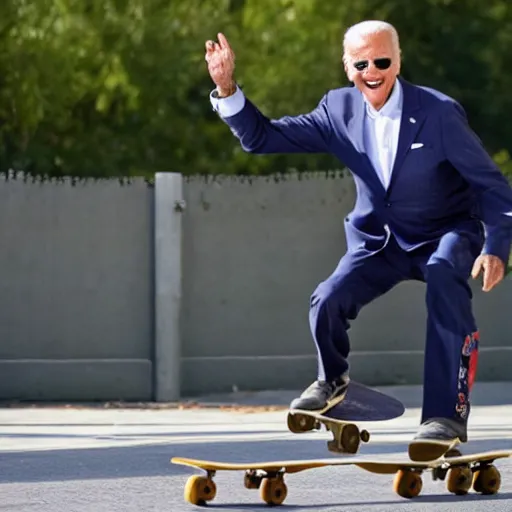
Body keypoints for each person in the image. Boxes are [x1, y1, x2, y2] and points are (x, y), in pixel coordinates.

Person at [204, 20, 512, 461]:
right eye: (362, 63)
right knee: (327, 298)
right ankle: (333, 380)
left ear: (398, 62)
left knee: (445, 276)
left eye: (382, 61)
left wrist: (497, 245)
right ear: (348, 66)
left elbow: (492, 185)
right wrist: (228, 87)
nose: (373, 71)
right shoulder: (338, 109)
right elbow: (262, 138)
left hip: (445, 232)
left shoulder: (438, 113)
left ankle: (444, 416)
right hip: (380, 242)